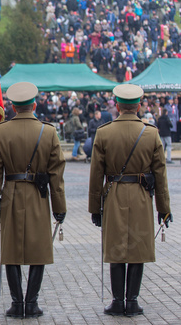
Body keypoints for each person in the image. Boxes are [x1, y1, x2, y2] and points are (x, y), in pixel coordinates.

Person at [89, 84, 171, 317]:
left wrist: (95, 208)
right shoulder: (151, 132)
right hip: (141, 196)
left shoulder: (104, 132)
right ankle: (132, 301)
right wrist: (163, 209)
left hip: (113, 194)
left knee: (116, 248)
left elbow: (96, 174)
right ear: (138, 106)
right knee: (137, 248)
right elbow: (161, 176)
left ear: (117, 106)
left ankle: (117, 301)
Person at [0, 82, 66, 319]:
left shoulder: (0, 131)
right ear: (33, 105)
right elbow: (56, 175)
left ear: (12, 107)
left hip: (10, 192)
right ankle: (31, 303)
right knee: (38, 249)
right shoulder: (48, 131)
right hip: (38, 195)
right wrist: (59, 209)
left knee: (11, 249)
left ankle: (16, 303)